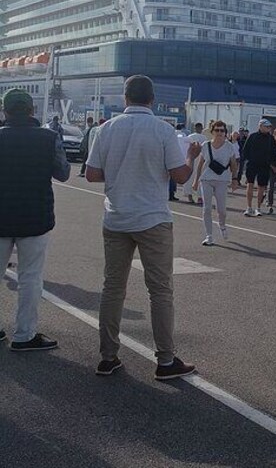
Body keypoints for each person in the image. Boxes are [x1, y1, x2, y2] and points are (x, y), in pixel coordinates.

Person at [85, 75, 200, 380]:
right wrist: (190, 156)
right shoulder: (163, 130)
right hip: (152, 218)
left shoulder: (105, 129)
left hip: (117, 216)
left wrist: (120, 170)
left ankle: (107, 357)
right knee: (160, 291)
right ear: (152, 99)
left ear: (125, 99)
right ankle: (165, 360)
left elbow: (92, 174)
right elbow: (179, 176)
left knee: (113, 288)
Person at [0, 88, 70, 351]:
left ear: (5, 111)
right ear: (32, 111)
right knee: (30, 277)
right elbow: (63, 172)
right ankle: (24, 335)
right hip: (35, 217)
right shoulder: (48, 138)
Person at [192, 120, 240, 246]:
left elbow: (234, 164)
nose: (219, 133)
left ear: (225, 132)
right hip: (206, 179)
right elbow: (200, 164)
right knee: (206, 208)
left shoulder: (229, 146)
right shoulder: (206, 145)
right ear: (212, 132)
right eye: (217, 130)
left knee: (221, 210)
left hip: (222, 180)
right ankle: (209, 236)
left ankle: (222, 225)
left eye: (222, 130)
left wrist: (235, 179)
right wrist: (196, 181)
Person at [241, 119, 276, 216]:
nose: (268, 128)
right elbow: (245, 150)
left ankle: (258, 208)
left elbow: (273, 152)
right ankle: (249, 207)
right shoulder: (252, 136)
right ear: (260, 126)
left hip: (264, 165)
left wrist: (272, 163)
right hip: (252, 164)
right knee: (250, 184)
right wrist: (249, 159)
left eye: (269, 127)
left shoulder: (271, 138)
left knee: (261, 186)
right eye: (266, 126)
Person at [181, 122, 205, 204]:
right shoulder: (204, 138)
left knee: (190, 177)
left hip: (191, 159)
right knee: (199, 178)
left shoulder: (189, 137)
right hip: (199, 160)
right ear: (201, 129)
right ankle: (199, 197)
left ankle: (190, 195)